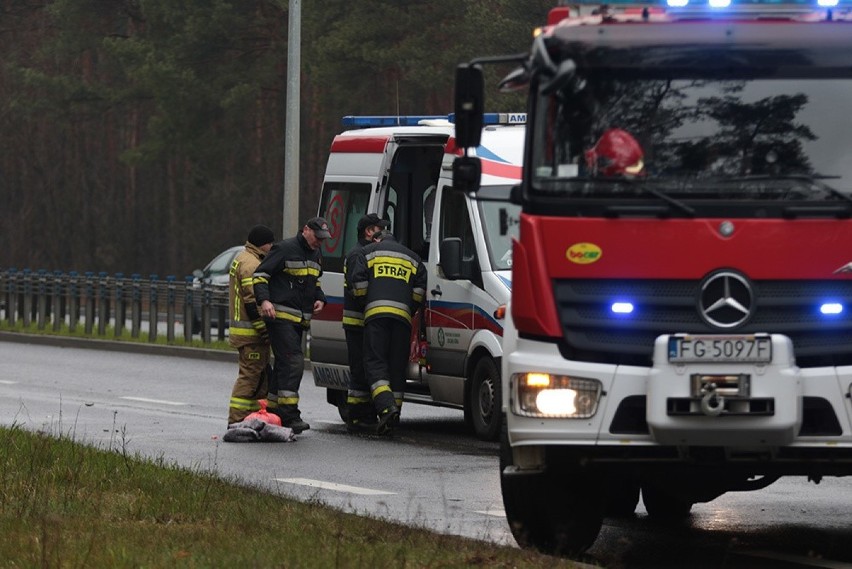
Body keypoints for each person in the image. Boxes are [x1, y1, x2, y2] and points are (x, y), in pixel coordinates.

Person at [347, 230, 427, 435]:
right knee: (396, 366)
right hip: (402, 319)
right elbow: (419, 291)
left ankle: (386, 407)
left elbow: (359, 284)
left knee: (375, 362)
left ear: (377, 239)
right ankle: (395, 414)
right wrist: (409, 308)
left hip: (376, 316)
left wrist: (366, 303)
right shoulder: (413, 257)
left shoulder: (368, 252)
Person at [253, 217, 329, 433]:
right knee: (294, 361)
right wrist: (264, 300)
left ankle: (274, 409)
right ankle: (289, 415)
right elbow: (260, 275)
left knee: (285, 364)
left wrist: (320, 298)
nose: (319, 242)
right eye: (317, 237)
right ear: (306, 230)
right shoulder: (284, 248)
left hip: (300, 320)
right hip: (280, 316)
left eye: (323, 239)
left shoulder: (316, 254)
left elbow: (315, 282)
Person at [342, 213, 391, 432]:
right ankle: (356, 417)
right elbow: (359, 289)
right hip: (357, 322)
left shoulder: (366, 252)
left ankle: (364, 414)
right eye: (378, 228)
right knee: (360, 370)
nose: (382, 231)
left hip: (366, 321)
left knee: (366, 367)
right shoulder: (357, 255)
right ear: (368, 231)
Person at [227, 225, 276, 425]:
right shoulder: (251, 264)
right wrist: (264, 331)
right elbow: (252, 300)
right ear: (262, 244)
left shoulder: (243, 257)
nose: (272, 247)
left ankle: (253, 418)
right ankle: (237, 421)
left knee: (259, 377)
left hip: (245, 333)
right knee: (250, 377)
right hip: (251, 334)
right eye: (270, 243)